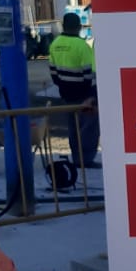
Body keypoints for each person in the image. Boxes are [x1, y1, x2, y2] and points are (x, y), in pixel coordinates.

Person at [48, 12, 99, 169]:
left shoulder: (55, 44)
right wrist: (90, 95)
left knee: (73, 129)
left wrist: (64, 87)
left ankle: (76, 158)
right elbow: (89, 74)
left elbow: (54, 73)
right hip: (84, 95)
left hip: (66, 95)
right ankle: (86, 160)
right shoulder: (82, 46)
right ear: (79, 27)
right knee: (89, 128)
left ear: (63, 26)